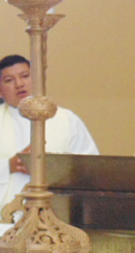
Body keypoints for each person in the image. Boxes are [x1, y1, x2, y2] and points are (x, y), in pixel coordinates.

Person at [0, 55, 98, 209]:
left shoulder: (66, 119)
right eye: (9, 80)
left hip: (57, 212)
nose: (19, 84)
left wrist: (51, 167)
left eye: (25, 76)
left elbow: (90, 167)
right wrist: (8, 166)